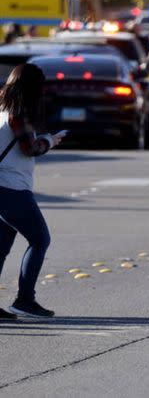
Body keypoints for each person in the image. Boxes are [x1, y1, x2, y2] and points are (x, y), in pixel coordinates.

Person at [0, 64, 66, 319]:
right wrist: (50, 140)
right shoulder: (18, 113)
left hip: (4, 187)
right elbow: (30, 148)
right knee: (40, 239)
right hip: (12, 188)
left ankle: (23, 300)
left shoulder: (3, 110)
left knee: (2, 246)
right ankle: (25, 300)